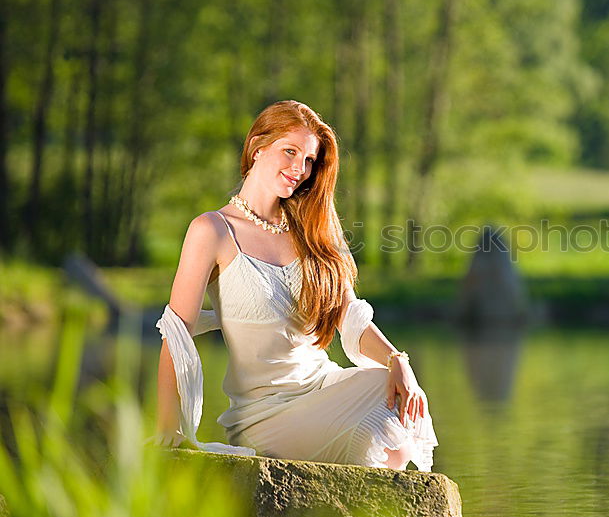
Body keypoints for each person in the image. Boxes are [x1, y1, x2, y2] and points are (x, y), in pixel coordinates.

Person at [153, 100, 436, 471]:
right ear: (257, 148)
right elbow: (177, 333)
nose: (299, 169)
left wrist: (398, 362)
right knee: (378, 433)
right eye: (290, 151)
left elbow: (348, 316)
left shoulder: (313, 232)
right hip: (263, 414)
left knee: (400, 398)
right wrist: (167, 427)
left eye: (308, 160)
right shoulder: (212, 230)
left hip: (323, 387)